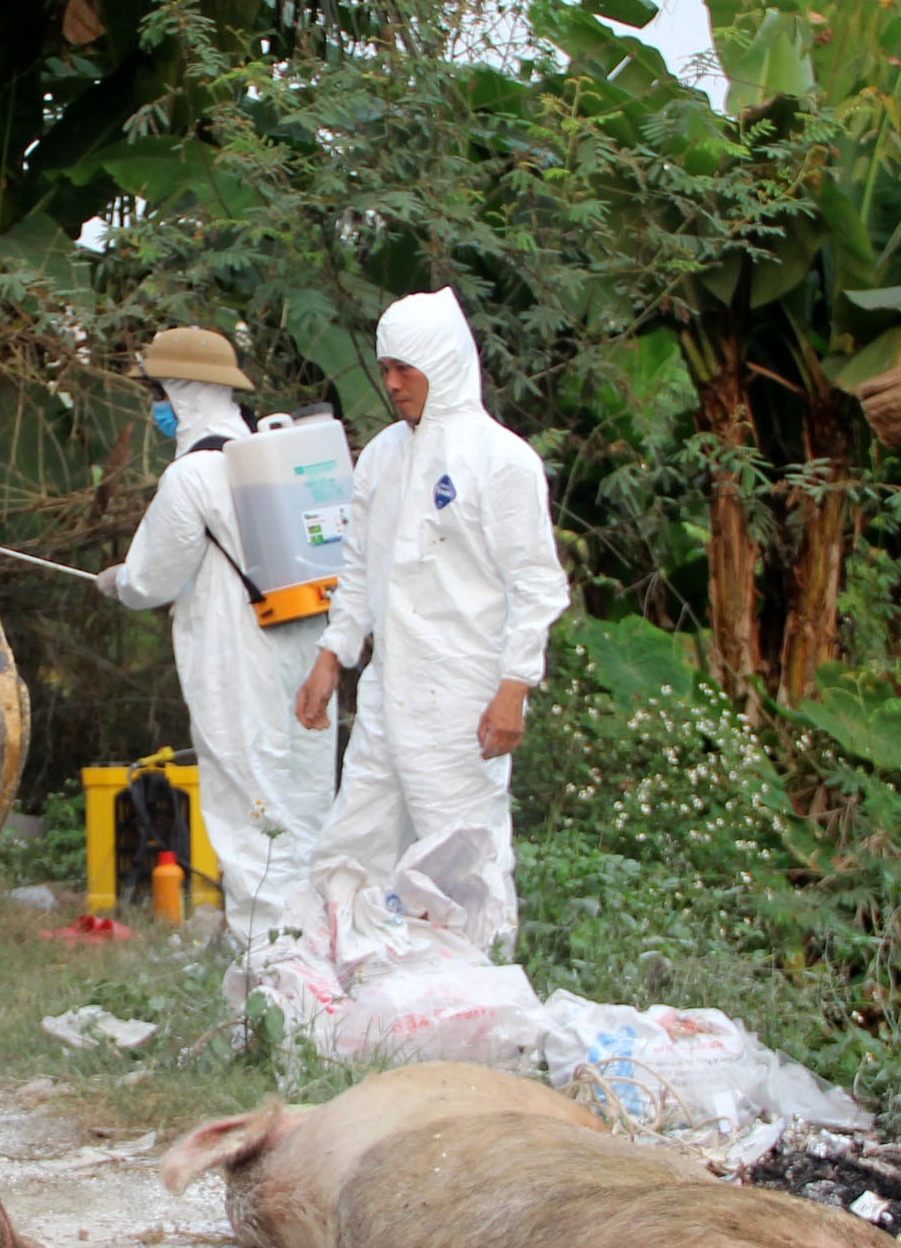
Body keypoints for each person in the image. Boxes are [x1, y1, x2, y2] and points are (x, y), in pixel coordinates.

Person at [294, 288, 569, 953]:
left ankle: (483, 987)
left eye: (404, 370)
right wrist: (333, 655)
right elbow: (362, 567)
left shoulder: (501, 460)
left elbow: (536, 582)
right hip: (391, 686)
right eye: (385, 369)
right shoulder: (385, 456)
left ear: (443, 365)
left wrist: (515, 687)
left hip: (463, 693)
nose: (391, 384)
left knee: (462, 847)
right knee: (355, 829)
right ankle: (340, 969)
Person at [96, 327, 337, 944]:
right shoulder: (271, 459)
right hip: (307, 655)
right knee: (306, 801)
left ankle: (269, 965)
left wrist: (119, 581)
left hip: (238, 658)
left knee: (247, 803)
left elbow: (152, 580)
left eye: (159, 392)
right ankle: (320, 943)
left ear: (180, 393)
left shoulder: (193, 477)